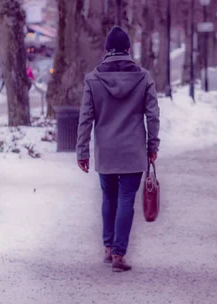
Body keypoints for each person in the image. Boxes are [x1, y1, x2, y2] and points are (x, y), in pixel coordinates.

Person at [76, 26, 160, 273]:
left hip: (106, 151)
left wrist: (82, 151)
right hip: (133, 151)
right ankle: (119, 253)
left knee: (109, 197)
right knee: (126, 200)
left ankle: (107, 247)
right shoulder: (143, 77)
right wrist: (152, 146)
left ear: (106, 50)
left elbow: (85, 118)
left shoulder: (93, 79)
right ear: (128, 48)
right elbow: (152, 116)